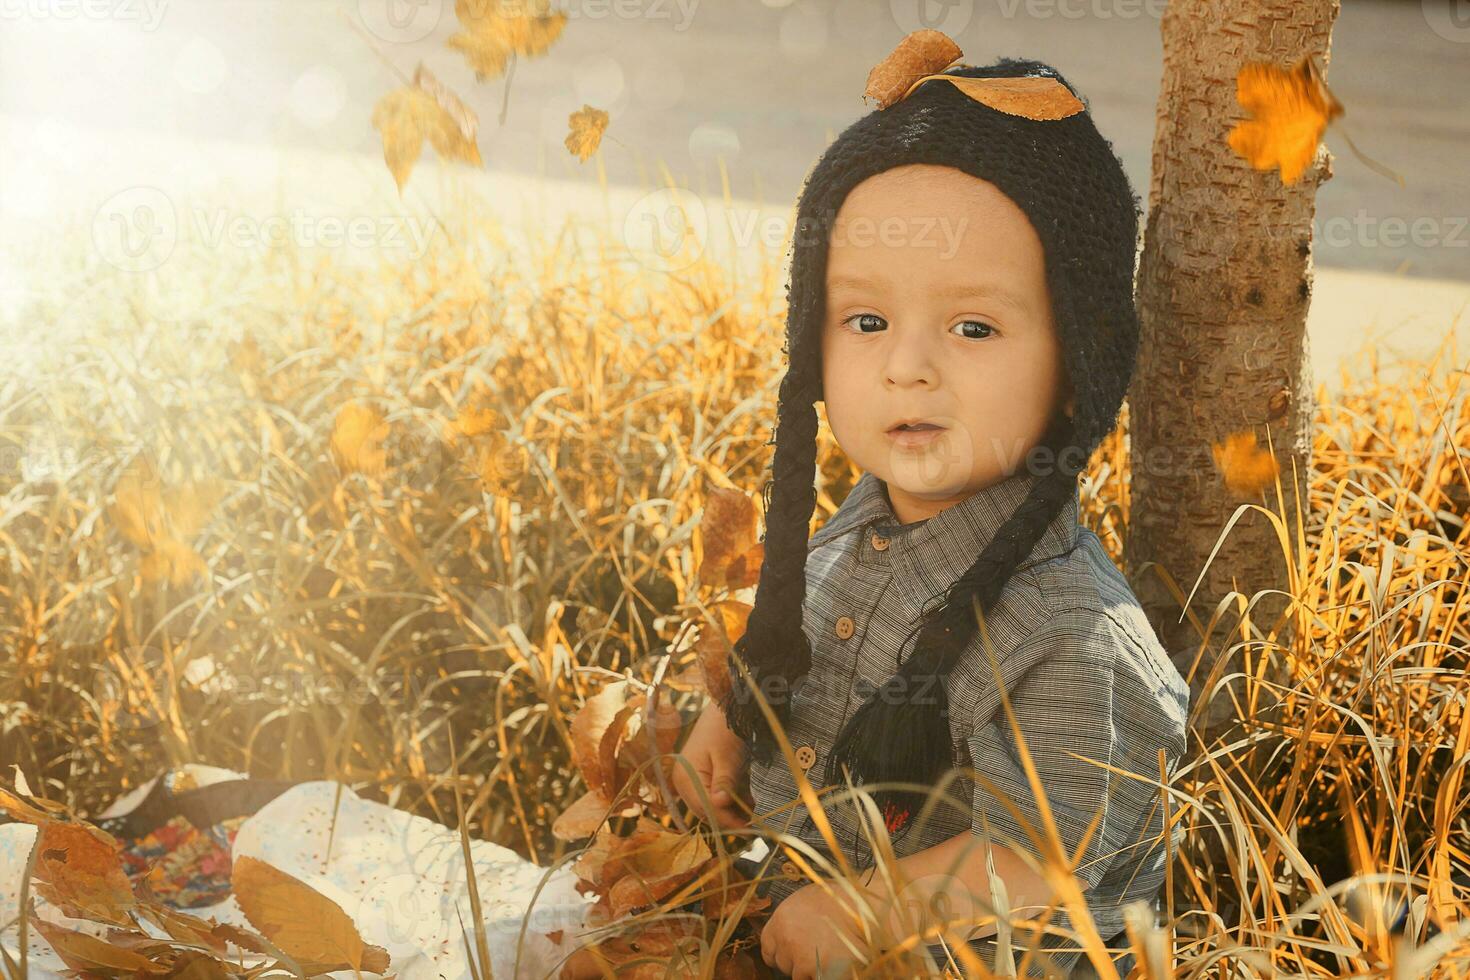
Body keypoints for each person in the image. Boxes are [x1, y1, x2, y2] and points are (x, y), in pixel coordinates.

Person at [672, 55, 1191, 978]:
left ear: (1078, 360)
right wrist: (732, 723)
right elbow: (792, 658)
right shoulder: (850, 530)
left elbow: (1049, 856)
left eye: (974, 327)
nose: (906, 366)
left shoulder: (1068, 629)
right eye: (865, 321)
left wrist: (874, 908)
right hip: (798, 906)